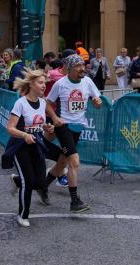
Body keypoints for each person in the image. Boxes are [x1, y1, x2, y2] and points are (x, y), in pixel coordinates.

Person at [46, 54, 103, 213]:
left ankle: (42, 186)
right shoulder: (60, 84)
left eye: (82, 65)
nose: (82, 68)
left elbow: (97, 101)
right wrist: (55, 118)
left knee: (62, 163)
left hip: (79, 126)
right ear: (69, 69)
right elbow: (48, 104)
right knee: (75, 161)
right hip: (63, 125)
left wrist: (98, 102)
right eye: (78, 66)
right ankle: (74, 201)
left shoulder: (87, 81)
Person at [5, 68, 56, 227]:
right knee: (28, 181)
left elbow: (38, 125)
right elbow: (10, 128)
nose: (43, 86)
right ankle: (22, 215)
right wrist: (25, 135)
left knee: (40, 183)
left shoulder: (42, 103)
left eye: (44, 83)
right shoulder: (20, 103)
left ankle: (16, 180)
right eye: (40, 83)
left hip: (36, 145)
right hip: (20, 146)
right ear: (31, 83)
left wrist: (47, 128)